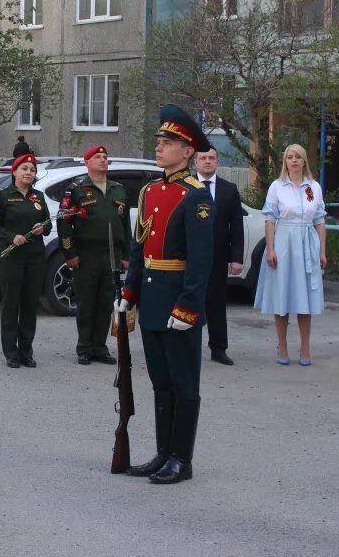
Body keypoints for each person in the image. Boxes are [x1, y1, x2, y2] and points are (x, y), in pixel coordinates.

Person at [115, 104, 213, 485]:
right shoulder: (151, 191)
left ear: (187, 151)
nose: (159, 147)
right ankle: (162, 453)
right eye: (158, 140)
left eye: (168, 142)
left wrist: (187, 307)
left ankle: (181, 459)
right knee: (160, 380)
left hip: (178, 301)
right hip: (153, 300)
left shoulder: (196, 196)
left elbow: (200, 262)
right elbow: (140, 249)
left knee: (184, 381)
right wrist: (129, 291)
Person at [253, 143, 327, 366]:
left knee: (306, 297)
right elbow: (270, 218)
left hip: (307, 243)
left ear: (304, 161)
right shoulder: (277, 186)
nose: (293, 161)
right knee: (282, 295)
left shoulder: (313, 187)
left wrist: (322, 251)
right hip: (284, 241)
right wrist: (271, 247)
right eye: (289, 157)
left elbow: (320, 220)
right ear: (285, 162)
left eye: (297, 157)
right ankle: (282, 345)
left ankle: (305, 347)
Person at [57, 145, 129, 365]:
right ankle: (84, 348)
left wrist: (126, 255)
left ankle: (100, 347)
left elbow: (125, 225)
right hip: (86, 255)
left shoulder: (118, 189)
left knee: (106, 303)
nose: (102, 160)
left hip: (112, 255)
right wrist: (70, 253)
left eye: (105, 157)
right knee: (87, 303)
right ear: (86, 162)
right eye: (97, 157)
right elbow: (64, 222)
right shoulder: (77, 189)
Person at [0, 153, 52, 368]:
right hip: (11, 257)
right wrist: (11, 237)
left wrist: (43, 228)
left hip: (35, 258)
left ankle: (26, 351)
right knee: (11, 305)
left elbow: (48, 224)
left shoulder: (38, 197)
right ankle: (11, 353)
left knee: (30, 305)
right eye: (24, 169)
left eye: (32, 170)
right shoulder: (3, 197)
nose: (28, 173)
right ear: (14, 171)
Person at [195, 146, 245, 366]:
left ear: (217, 161)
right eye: (203, 158)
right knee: (191, 302)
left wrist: (236, 257)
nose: (207, 161)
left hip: (218, 256)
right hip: (191, 257)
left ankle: (219, 349)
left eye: (211, 158)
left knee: (216, 303)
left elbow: (237, 226)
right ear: (195, 161)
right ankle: (189, 347)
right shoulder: (186, 187)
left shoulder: (229, 189)